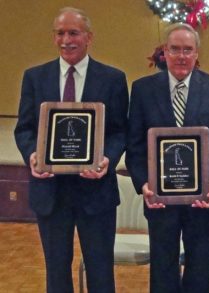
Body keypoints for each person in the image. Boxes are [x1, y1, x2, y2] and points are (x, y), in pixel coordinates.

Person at [14, 7, 129, 293]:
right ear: (54, 38)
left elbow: (119, 131)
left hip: (96, 191)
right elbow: (25, 129)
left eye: (73, 33)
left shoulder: (112, 78)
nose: (66, 39)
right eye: (60, 33)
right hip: (51, 193)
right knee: (56, 271)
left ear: (89, 37)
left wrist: (107, 159)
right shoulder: (34, 77)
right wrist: (32, 156)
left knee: (101, 270)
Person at [125, 23, 209, 293]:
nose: (181, 56)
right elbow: (135, 146)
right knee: (162, 271)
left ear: (196, 53)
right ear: (165, 53)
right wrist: (144, 185)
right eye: (175, 49)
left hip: (202, 200)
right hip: (161, 202)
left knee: (200, 271)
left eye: (188, 49)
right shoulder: (142, 89)